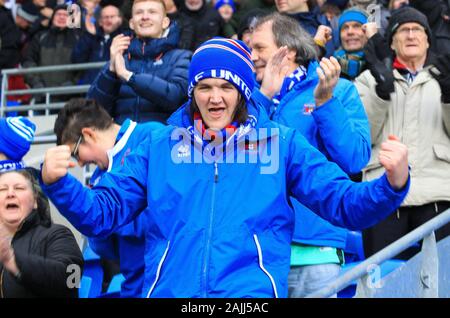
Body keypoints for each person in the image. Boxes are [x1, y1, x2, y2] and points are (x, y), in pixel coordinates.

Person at [41, 37, 410, 298]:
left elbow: (343, 202)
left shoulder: (280, 143)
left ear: (243, 92)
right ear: (192, 92)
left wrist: (392, 184)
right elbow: (102, 214)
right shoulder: (158, 146)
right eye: (204, 87)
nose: (215, 97)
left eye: (226, 87)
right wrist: (60, 185)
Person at [249, 12, 370, 297]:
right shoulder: (248, 97)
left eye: (259, 48)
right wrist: (264, 96)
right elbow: (233, 155)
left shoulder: (339, 89)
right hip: (255, 250)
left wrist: (325, 103)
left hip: (315, 249)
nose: (251, 54)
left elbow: (355, 158)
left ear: (286, 51)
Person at [355, 7, 450, 260]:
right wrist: (381, 93)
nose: (411, 35)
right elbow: (362, 138)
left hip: (438, 195)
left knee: (441, 284)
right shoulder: (369, 79)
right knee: (385, 284)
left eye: (417, 30)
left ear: (428, 40)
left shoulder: (445, 78)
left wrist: (449, 97)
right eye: (403, 30)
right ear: (392, 42)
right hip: (383, 195)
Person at [53, 98, 164, 297]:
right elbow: (105, 248)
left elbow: (166, 210)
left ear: (88, 134)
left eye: (76, 153)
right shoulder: (98, 178)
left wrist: (113, 221)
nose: (79, 163)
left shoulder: (151, 136)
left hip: (167, 283)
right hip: (134, 286)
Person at [87, 0, 191, 124]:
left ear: (165, 22)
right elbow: (92, 111)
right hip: (124, 140)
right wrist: (111, 71)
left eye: (152, 12)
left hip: (164, 140)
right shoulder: (120, 60)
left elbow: (175, 97)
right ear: (131, 23)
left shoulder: (181, 57)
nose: (145, 17)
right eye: (139, 12)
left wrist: (129, 76)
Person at [0, 168, 84, 298]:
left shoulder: (58, 234)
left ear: (35, 202)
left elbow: (72, 280)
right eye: (2, 189)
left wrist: (14, 261)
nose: (10, 193)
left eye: (19, 188)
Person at [71, 4, 124, 84]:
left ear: (120, 19)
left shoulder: (125, 37)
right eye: (105, 17)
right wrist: (89, 35)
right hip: (89, 88)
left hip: (114, 88)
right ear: (100, 21)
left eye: (112, 17)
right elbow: (77, 60)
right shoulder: (91, 37)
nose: (108, 20)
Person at [333, 8, 370, 80]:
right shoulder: (330, 67)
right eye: (345, 27)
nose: (350, 32)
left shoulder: (380, 63)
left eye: (356, 26)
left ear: (368, 32)